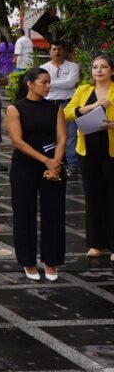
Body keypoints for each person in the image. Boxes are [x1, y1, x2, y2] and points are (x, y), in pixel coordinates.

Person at [6, 67, 67, 281]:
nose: (48, 86)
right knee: (24, 213)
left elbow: (61, 138)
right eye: (44, 82)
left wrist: (56, 163)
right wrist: (45, 160)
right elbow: (17, 141)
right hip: (25, 165)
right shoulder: (15, 108)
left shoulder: (55, 107)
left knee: (54, 212)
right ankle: (28, 261)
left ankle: (52, 261)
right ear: (30, 84)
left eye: (49, 82)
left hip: (54, 164)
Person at [64, 53, 114, 262]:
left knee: (112, 196)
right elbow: (67, 113)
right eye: (95, 67)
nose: (99, 70)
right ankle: (96, 243)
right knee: (93, 196)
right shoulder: (84, 90)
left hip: (110, 150)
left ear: (112, 70)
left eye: (103, 66)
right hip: (87, 150)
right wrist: (93, 107)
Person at [40, 42, 80, 166]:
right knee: (50, 133)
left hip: (68, 104)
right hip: (49, 104)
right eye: (54, 49)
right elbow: (40, 84)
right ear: (50, 52)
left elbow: (70, 84)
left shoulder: (73, 66)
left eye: (59, 49)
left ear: (64, 51)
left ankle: (72, 163)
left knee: (71, 134)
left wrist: (48, 84)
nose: (57, 52)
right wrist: (62, 83)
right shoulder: (44, 68)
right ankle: (54, 160)